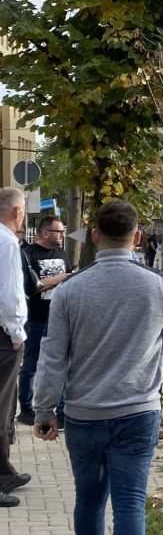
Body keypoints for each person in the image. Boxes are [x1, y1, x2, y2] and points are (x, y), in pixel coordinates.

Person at [33, 200, 163, 535]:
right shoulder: (158, 284)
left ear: (93, 235)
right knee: (130, 501)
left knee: (88, 500)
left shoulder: (69, 290)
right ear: (136, 238)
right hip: (137, 412)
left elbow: (53, 355)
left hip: (84, 415)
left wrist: (44, 408)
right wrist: (160, 366)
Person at [18, 216, 71, 428]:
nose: (62, 235)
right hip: (36, 318)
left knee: (61, 364)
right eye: (58, 232)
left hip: (60, 319)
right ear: (45, 233)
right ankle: (26, 409)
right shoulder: (28, 255)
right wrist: (62, 277)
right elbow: (32, 287)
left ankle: (61, 409)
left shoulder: (61, 253)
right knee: (31, 365)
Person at [0, 188, 30, 508]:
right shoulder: (7, 242)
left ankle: (4, 472)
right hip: (4, 335)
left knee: (6, 408)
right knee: (1, 406)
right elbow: (8, 295)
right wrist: (16, 332)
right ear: (17, 212)